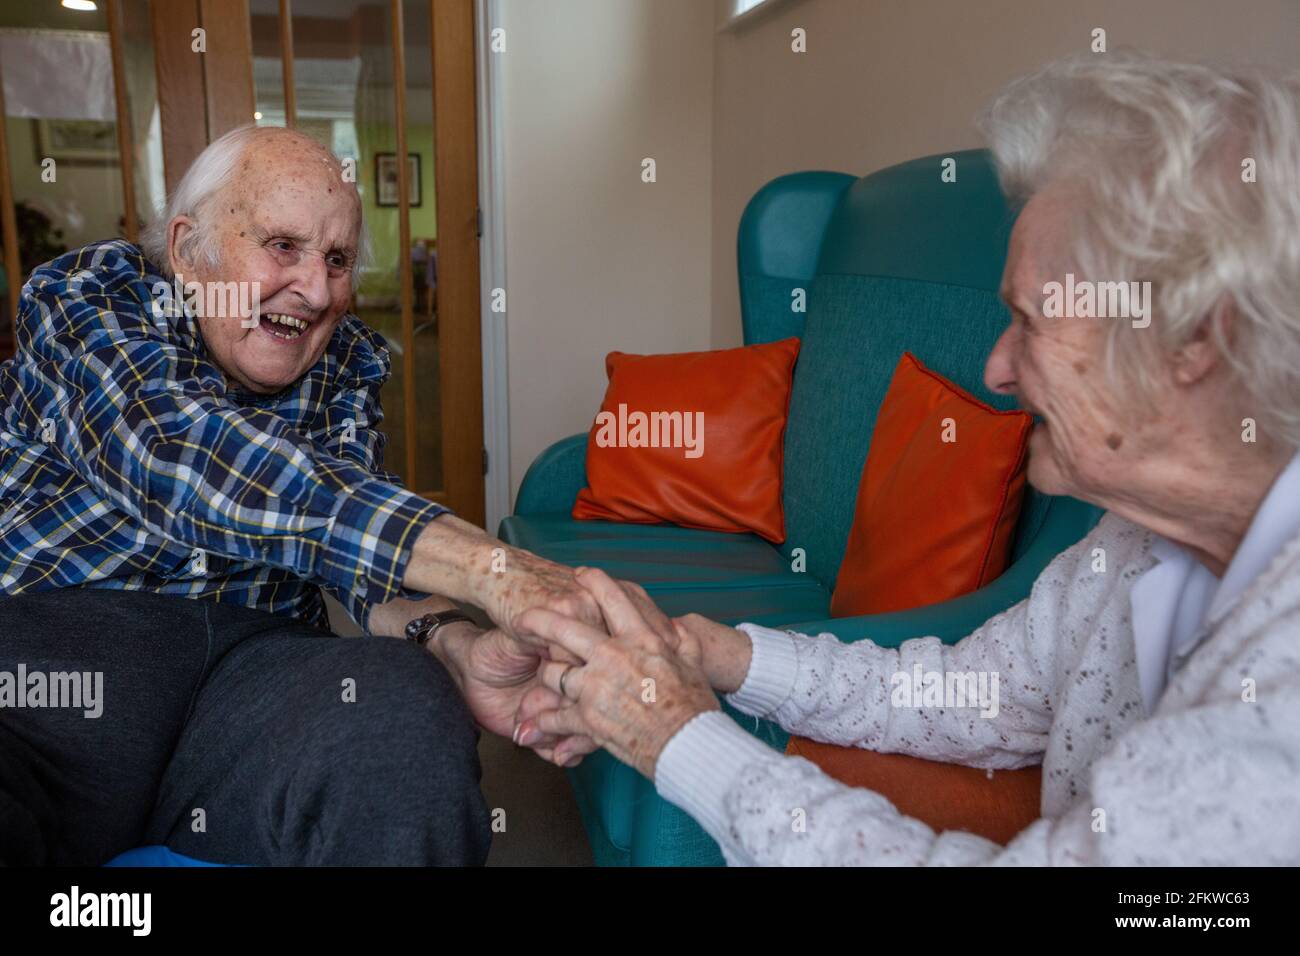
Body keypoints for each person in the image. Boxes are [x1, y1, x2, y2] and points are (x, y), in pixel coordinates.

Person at [511, 52, 1300, 865]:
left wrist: (678, 738)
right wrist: (716, 652)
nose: (996, 368)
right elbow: (977, 696)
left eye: (1030, 320)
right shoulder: (1133, 546)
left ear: (1197, 338)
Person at [0, 125, 621, 865]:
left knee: (397, 707)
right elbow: (179, 457)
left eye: (337, 259)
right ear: (189, 249)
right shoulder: (90, 296)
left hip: (249, 673)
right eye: (283, 246)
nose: (319, 290)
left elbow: (358, 562)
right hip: (50, 667)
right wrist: (496, 570)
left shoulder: (344, 363)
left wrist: (457, 642)